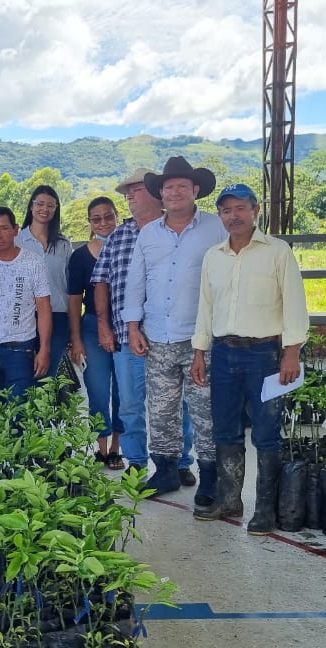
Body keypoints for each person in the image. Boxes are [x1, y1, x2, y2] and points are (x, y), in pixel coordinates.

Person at [191, 184, 309, 531]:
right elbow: (206, 307)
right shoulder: (214, 256)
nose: (234, 216)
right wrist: (200, 352)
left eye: (240, 208)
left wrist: (292, 353)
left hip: (265, 356)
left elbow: (294, 303)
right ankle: (229, 501)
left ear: (255, 211)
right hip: (224, 353)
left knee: (267, 432)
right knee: (225, 429)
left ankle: (266, 510)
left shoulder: (277, 252)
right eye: (226, 211)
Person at [123, 157, 227, 505]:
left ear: (196, 190)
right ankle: (165, 470)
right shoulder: (149, 234)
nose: (175, 192)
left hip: (201, 338)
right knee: (162, 409)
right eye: (169, 187)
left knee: (204, 410)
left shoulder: (216, 228)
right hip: (157, 336)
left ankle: (210, 477)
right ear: (161, 193)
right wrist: (133, 326)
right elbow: (136, 281)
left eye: (182, 186)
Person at [90, 169, 158, 476]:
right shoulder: (117, 236)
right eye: (127, 191)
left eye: (137, 189)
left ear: (156, 192)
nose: (130, 195)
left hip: (170, 333)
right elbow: (100, 281)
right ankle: (137, 461)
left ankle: (179, 461)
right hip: (124, 334)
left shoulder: (172, 230)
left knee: (175, 404)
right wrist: (104, 326)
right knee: (130, 404)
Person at [0, 207, 52, 405]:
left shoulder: (32, 262)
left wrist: (45, 349)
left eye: (3, 228)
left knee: (20, 413)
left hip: (21, 349)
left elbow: (44, 307)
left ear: (15, 230)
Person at [67, 197, 124, 469]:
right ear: (89, 222)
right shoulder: (79, 256)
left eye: (108, 216)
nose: (103, 223)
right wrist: (76, 339)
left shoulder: (130, 247)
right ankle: (101, 448)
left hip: (126, 326)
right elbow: (75, 300)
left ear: (117, 216)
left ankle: (117, 448)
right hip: (91, 327)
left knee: (124, 392)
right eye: (96, 218)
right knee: (98, 390)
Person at [17, 185, 73, 384]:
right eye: (40, 204)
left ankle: (46, 417)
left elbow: (69, 283)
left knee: (48, 378)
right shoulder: (17, 242)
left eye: (51, 205)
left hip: (57, 316)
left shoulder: (64, 244)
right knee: (24, 376)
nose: (45, 209)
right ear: (31, 207)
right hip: (25, 317)